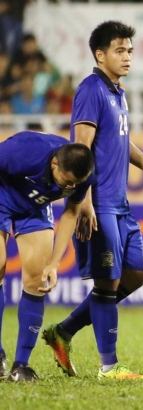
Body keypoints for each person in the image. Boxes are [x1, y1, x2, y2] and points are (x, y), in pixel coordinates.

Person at [41, 21, 143, 380]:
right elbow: (81, 149)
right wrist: (85, 198)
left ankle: (63, 331)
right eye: (120, 50)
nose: (127, 57)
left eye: (130, 50)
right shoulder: (90, 90)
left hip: (120, 205)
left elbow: (123, 141)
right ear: (100, 54)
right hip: (100, 203)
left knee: (134, 277)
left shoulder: (117, 92)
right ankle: (109, 366)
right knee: (107, 284)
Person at [0, 132, 94, 381]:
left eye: (76, 184)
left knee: (37, 280)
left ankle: (21, 365)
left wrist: (54, 263)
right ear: (55, 164)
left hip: (34, 208)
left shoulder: (82, 173)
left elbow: (71, 213)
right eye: (67, 181)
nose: (70, 187)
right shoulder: (21, 152)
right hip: (2, 195)